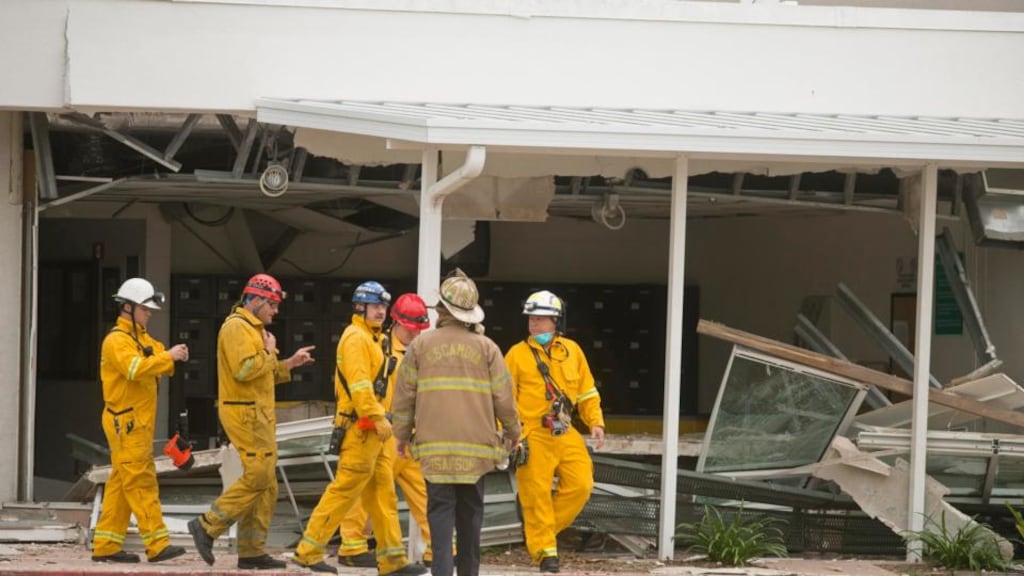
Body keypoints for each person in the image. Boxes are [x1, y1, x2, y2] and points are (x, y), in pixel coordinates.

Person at [292, 281, 427, 576]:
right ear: (359, 307)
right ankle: (308, 551)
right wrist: (378, 418)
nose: (380, 311)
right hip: (361, 429)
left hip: (374, 431)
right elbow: (360, 387)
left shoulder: (372, 338)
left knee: (383, 496)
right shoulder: (356, 338)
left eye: (382, 306)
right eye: (375, 306)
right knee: (343, 491)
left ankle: (391, 560)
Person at [393, 269, 521, 576]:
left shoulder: (420, 347)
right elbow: (504, 398)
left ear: (441, 309)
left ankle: (440, 571)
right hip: (476, 453)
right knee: (470, 520)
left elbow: (404, 396)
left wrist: (401, 435)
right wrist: (513, 432)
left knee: (439, 519)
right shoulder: (487, 347)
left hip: (435, 451)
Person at [188, 273, 316, 570]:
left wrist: (289, 364)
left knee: (267, 485)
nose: (276, 310)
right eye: (272, 304)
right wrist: (270, 352)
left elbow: (262, 373)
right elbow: (245, 370)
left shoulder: (253, 329)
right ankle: (207, 526)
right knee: (258, 475)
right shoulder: (236, 328)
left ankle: (251, 551)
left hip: (257, 413)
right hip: (244, 413)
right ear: (256, 300)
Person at [504, 290, 606, 573]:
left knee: (581, 484)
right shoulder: (517, 354)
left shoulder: (572, 351)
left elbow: (587, 391)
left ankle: (540, 531)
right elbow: (503, 398)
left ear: (556, 322)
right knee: (535, 495)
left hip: (564, 431)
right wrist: (509, 434)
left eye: (540, 319)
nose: (534, 324)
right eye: (531, 319)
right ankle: (546, 554)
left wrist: (595, 421)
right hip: (532, 434)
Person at [91, 278, 189, 564]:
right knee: (141, 481)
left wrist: (172, 356)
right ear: (127, 308)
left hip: (136, 423)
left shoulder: (140, 338)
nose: (150, 314)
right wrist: (168, 356)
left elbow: (159, 358)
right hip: (126, 423)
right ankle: (157, 544)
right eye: (146, 310)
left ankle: (106, 545)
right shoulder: (116, 341)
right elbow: (136, 369)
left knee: (121, 484)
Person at [336, 293, 436, 568]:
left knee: (426, 493)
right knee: (371, 492)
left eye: (419, 329)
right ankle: (352, 545)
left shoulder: (419, 352)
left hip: (408, 435)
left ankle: (438, 549)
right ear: (397, 322)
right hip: (384, 433)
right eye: (411, 328)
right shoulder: (378, 348)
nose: (415, 334)